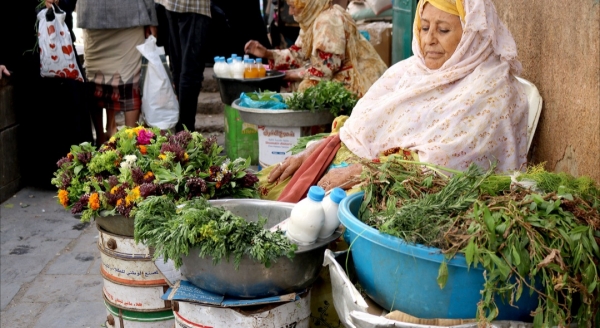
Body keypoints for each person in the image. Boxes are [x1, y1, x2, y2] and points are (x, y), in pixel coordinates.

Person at [258, 0, 529, 203]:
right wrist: (317, 151)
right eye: (423, 28)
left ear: (472, 35)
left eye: (443, 30)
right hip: (359, 166)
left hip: (401, 187)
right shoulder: (411, 71)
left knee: (315, 221)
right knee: (267, 190)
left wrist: (360, 172)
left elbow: (446, 165)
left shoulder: (492, 90)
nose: (429, 41)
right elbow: (358, 127)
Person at [45, 0, 158, 145]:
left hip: (93, 13)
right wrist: (151, 17)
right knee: (127, 83)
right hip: (129, 12)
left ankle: (103, 141)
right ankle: (130, 146)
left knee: (97, 79)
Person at [244, 0, 388, 97]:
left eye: (293, 7)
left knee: (305, 89)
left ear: (307, 5)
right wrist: (268, 53)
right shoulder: (311, 21)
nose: (290, 12)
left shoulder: (328, 20)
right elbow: (299, 53)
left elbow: (324, 69)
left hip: (359, 81)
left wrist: (288, 75)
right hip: (337, 74)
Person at [155, 0, 211, 132]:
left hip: (170, 4)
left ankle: (181, 132)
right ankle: (185, 134)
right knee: (189, 71)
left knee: (179, 67)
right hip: (192, 6)